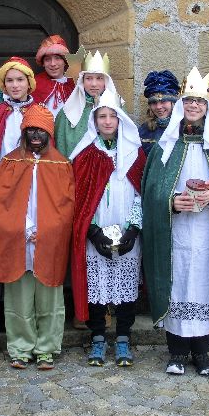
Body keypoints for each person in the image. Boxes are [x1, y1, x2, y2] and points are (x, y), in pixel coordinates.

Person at [142, 67, 209, 376]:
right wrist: (171, 202)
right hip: (175, 233)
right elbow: (150, 191)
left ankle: (203, 353)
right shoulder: (166, 146)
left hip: (208, 234)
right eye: (189, 101)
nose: (193, 107)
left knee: (204, 286)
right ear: (181, 106)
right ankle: (176, 352)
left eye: (199, 103)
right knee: (177, 285)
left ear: (207, 108)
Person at [0, 104, 75, 370]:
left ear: (49, 133)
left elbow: (66, 205)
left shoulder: (61, 164)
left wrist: (46, 230)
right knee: (19, 297)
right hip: (18, 239)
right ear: (23, 133)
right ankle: (21, 347)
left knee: (50, 297)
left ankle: (47, 347)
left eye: (40, 130)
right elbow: (2, 202)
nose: (35, 135)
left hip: (49, 240)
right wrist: (24, 229)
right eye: (30, 130)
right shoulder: (10, 162)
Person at [70, 91, 146, 367]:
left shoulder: (134, 153)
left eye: (112, 116)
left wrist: (134, 229)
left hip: (127, 232)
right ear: (95, 121)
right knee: (97, 289)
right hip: (96, 232)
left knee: (126, 290)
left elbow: (141, 194)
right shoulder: (86, 154)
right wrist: (92, 231)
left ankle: (124, 338)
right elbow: (78, 198)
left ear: (120, 119)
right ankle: (98, 338)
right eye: (102, 116)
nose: (107, 121)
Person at [54, 50, 121, 159]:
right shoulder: (67, 113)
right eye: (89, 78)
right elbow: (61, 148)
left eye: (99, 78)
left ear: (106, 81)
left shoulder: (118, 107)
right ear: (82, 81)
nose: (94, 84)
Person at [0, 57, 37, 164]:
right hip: (1, 173)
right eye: (9, 80)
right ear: (4, 85)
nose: (15, 85)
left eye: (20, 79)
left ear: (29, 82)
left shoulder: (39, 113)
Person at [31, 35, 75, 118]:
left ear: (65, 61)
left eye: (57, 58)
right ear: (43, 63)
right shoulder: (34, 85)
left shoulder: (74, 84)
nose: (53, 64)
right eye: (47, 59)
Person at [139, 70, 180, 156]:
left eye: (163, 101)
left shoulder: (183, 128)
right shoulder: (144, 131)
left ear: (173, 103)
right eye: (154, 102)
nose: (158, 107)